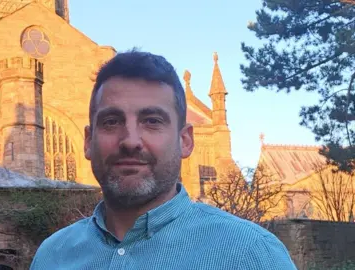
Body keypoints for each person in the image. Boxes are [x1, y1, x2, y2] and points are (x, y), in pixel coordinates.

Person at [30, 50, 297, 270]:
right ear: (88, 141)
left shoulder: (252, 255)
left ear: (185, 141)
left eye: (152, 121)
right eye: (111, 122)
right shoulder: (51, 256)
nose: (130, 140)